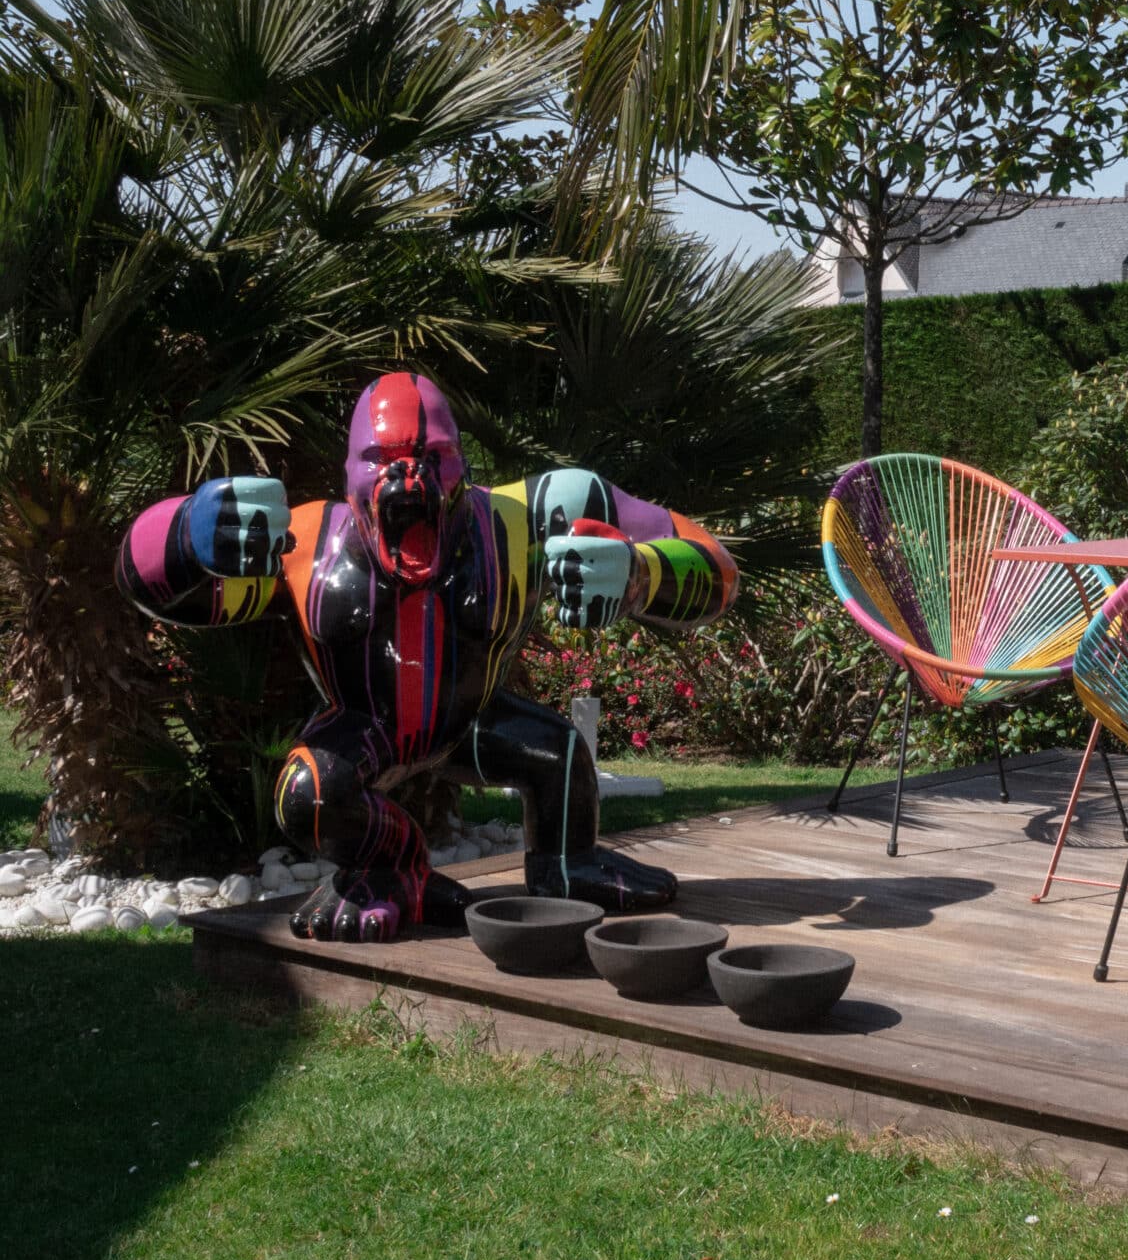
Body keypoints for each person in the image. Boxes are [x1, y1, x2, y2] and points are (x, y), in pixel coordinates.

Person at [116, 373, 736, 942]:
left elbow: (716, 566)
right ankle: (395, 864)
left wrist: (639, 573)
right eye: (379, 459)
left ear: (462, 462)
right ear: (349, 474)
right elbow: (145, 582)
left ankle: (567, 862)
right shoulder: (302, 543)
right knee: (308, 796)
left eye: (433, 456)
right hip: (366, 732)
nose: (408, 477)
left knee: (558, 753)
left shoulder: (531, 515)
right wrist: (190, 531)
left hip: (471, 726)